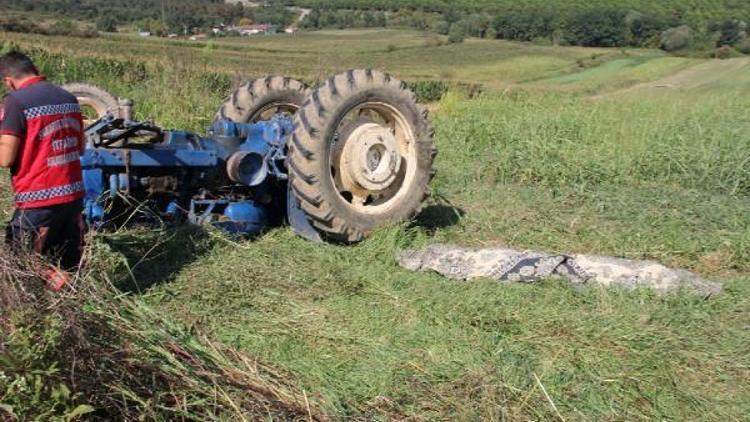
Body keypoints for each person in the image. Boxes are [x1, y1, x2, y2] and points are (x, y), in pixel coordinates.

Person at [0, 51, 86, 290]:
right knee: (67, 259)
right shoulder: (68, 97)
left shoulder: (16, 101)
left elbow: (6, 158)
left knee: (20, 260)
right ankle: (70, 300)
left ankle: (45, 300)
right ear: (34, 69)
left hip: (39, 198)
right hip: (72, 194)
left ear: (8, 80)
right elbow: (80, 147)